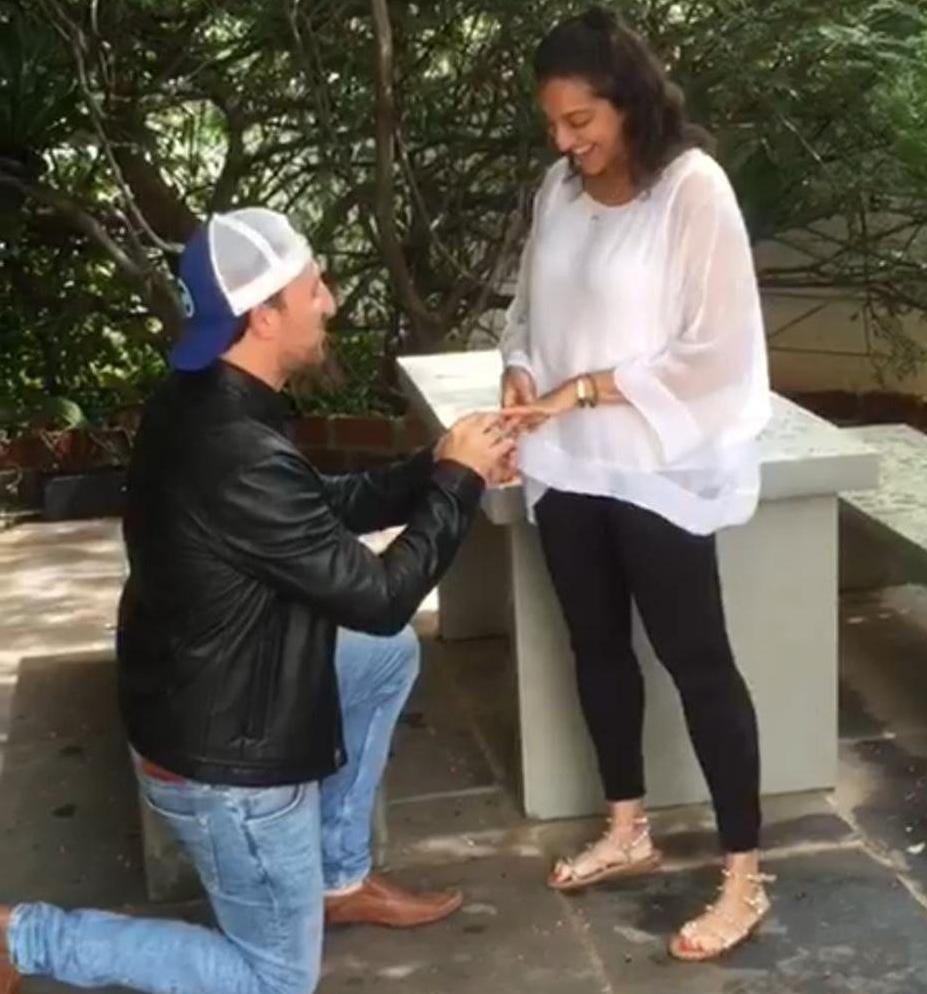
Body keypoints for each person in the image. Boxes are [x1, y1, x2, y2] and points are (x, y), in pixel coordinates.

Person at [0, 207, 517, 994]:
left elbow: (314, 509)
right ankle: (24, 938)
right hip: (225, 768)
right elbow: (379, 596)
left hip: (204, 688)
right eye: (316, 288)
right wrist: (459, 484)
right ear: (264, 313)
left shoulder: (211, 395)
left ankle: (336, 881)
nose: (332, 303)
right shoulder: (232, 445)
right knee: (274, 979)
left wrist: (439, 464)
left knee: (384, 659)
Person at [499, 7, 774, 962]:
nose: (566, 142)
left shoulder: (692, 192)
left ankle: (743, 877)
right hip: (568, 467)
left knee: (699, 664)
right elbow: (529, 311)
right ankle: (628, 825)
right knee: (597, 649)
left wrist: (584, 387)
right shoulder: (556, 191)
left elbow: (719, 353)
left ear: (629, 102)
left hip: (657, 468)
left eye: (581, 122)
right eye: (554, 125)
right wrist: (523, 371)